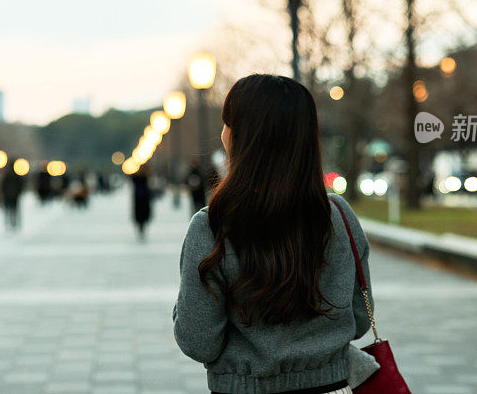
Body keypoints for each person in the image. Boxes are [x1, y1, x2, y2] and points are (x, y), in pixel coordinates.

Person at [173, 74, 379, 394]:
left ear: (240, 137)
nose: (223, 133)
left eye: (228, 124)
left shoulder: (212, 227)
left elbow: (199, 342)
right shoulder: (338, 216)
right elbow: (360, 319)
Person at [131, 165, 152, 241]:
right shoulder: (137, 177)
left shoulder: (146, 176)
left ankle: (142, 229)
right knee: (140, 216)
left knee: (143, 216)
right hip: (139, 199)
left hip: (144, 199)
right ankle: (141, 229)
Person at [1, 166, 25, 233]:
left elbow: (3, 186)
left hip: (9, 196)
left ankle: (9, 224)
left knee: (9, 211)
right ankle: (13, 223)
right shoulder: (16, 177)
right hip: (14, 196)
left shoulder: (6, 177)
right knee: (14, 211)